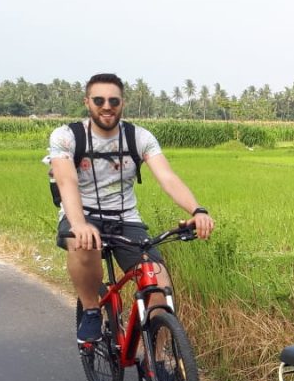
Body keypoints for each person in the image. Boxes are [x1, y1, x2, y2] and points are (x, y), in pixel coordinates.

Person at [46, 73, 215, 344]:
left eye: (114, 100)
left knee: (159, 288)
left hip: (126, 220)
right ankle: (91, 309)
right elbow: (67, 182)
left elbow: (168, 178)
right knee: (84, 243)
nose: (107, 106)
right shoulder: (67, 136)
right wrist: (78, 223)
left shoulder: (138, 137)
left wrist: (198, 210)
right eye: (99, 100)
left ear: (122, 103)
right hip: (82, 213)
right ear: (87, 102)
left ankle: (159, 363)